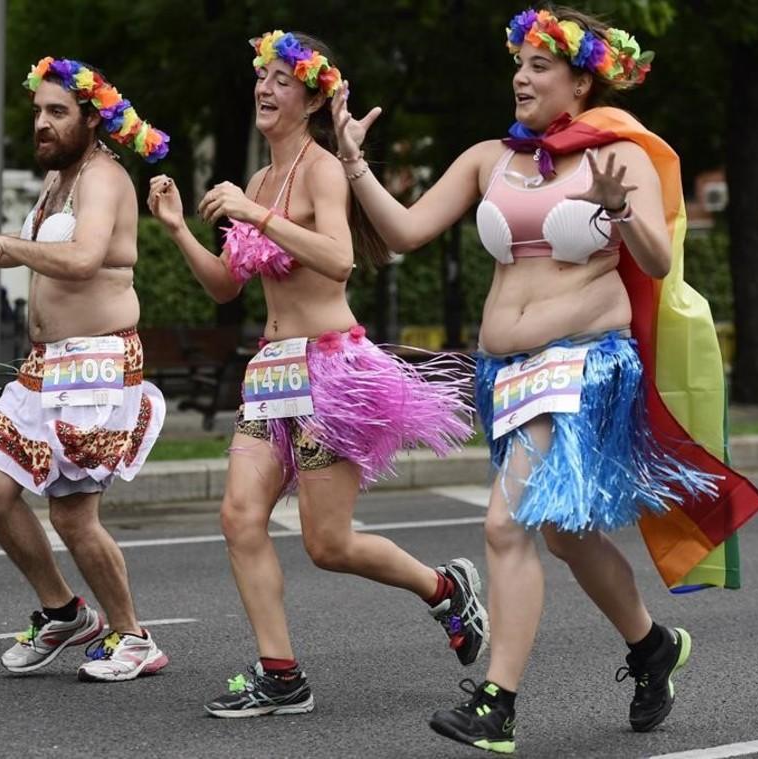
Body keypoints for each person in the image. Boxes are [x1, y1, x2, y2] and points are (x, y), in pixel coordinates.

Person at [332, 7, 758, 752]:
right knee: (565, 533)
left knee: (505, 524)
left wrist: (621, 209)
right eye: (519, 63)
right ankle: (651, 644)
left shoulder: (614, 154)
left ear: (581, 79)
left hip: (584, 362)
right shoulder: (489, 158)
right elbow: (404, 232)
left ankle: (496, 705)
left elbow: (658, 263)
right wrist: (353, 165)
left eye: (539, 66)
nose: (521, 77)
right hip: (506, 370)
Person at [147, 30, 486, 718]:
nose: (265, 89)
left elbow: (338, 259)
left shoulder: (322, 169)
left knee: (327, 544)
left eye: (280, 79)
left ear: (309, 96)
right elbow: (224, 288)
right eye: (261, 77)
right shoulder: (260, 180)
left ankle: (445, 589)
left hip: (331, 369)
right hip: (270, 374)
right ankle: (282, 673)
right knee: (239, 515)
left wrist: (256, 214)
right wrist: (180, 228)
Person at [0, 58, 171, 682]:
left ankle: (134, 637)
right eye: (39, 112)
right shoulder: (60, 181)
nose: (42, 123)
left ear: (92, 118)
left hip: (98, 365)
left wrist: (2, 247)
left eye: (57, 112)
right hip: (46, 367)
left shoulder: (105, 176)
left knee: (72, 516)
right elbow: (41, 248)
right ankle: (63, 611)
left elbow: (83, 258)